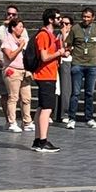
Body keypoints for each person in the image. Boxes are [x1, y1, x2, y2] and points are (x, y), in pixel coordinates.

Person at [31, 9, 66, 153]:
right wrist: (59, 53)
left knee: (41, 107)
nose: (60, 20)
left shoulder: (51, 35)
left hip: (49, 74)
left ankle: (38, 140)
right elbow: (44, 57)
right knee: (47, 109)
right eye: (58, 18)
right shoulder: (43, 35)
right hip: (45, 75)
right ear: (50, 20)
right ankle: (43, 141)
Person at [63, 7, 96, 128]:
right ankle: (71, 118)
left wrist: (93, 53)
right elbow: (68, 44)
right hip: (77, 64)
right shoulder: (75, 28)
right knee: (75, 93)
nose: (85, 19)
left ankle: (89, 118)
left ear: (93, 18)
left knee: (89, 93)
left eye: (88, 17)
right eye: (84, 17)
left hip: (91, 64)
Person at [0, 5, 23, 123]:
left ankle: (19, 119)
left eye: (14, 15)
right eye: (9, 13)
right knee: (5, 95)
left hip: (18, 66)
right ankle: (8, 120)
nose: (11, 16)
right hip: (3, 66)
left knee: (18, 95)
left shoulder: (22, 30)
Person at [0, 17, 33, 132]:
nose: (22, 29)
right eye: (20, 27)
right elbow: (10, 56)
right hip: (12, 71)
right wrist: (20, 47)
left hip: (24, 71)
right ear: (13, 28)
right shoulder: (7, 41)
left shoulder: (23, 40)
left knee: (26, 97)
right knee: (13, 97)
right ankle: (12, 122)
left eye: (23, 27)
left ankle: (27, 121)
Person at [55, 14, 73, 127]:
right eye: (62, 23)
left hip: (67, 62)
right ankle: (56, 113)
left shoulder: (70, 35)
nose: (64, 26)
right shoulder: (58, 35)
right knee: (57, 88)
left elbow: (67, 46)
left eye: (67, 24)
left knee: (66, 89)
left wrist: (64, 33)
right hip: (57, 61)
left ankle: (65, 113)